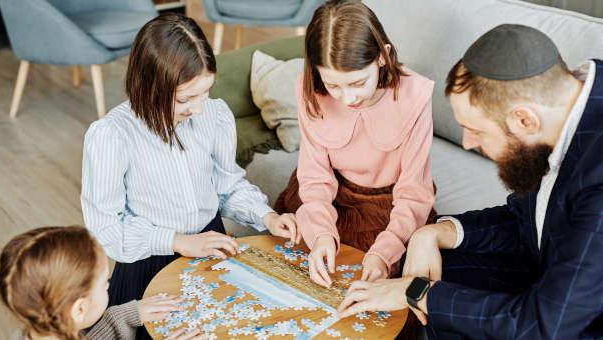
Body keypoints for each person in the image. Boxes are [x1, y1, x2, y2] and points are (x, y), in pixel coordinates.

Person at [337, 24, 603, 339]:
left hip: (572, 324)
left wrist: (419, 292)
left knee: (422, 288)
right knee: (424, 259)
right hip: (549, 271)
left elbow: (544, 327)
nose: (466, 142)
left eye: (476, 130)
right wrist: (433, 233)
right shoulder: (568, 103)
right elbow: (526, 218)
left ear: (524, 120)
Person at [81, 13, 298, 339]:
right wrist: (178, 241)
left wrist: (266, 216)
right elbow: (107, 228)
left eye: (205, 92)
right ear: (149, 87)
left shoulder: (213, 116)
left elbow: (226, 186)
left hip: (212, 245)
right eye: (185, 98)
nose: (198, 108)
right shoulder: (112, 135)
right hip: (149, 262)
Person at [274, 0, 436, 287]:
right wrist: (322, 234)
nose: (347, 99)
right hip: (327, 194)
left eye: (358, 83)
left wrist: (384, 252)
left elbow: (413, 192)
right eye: (334, 86)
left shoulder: (415, 96)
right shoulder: (310, 89)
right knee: (292, 269)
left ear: (382, 57)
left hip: (388, 203)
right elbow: (314, 177)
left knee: (378, 286)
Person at [0, 226, 201, 340]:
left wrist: (120, 317)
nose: (108, 285)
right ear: (79, 308)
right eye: (105, 282)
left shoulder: (38, 332)